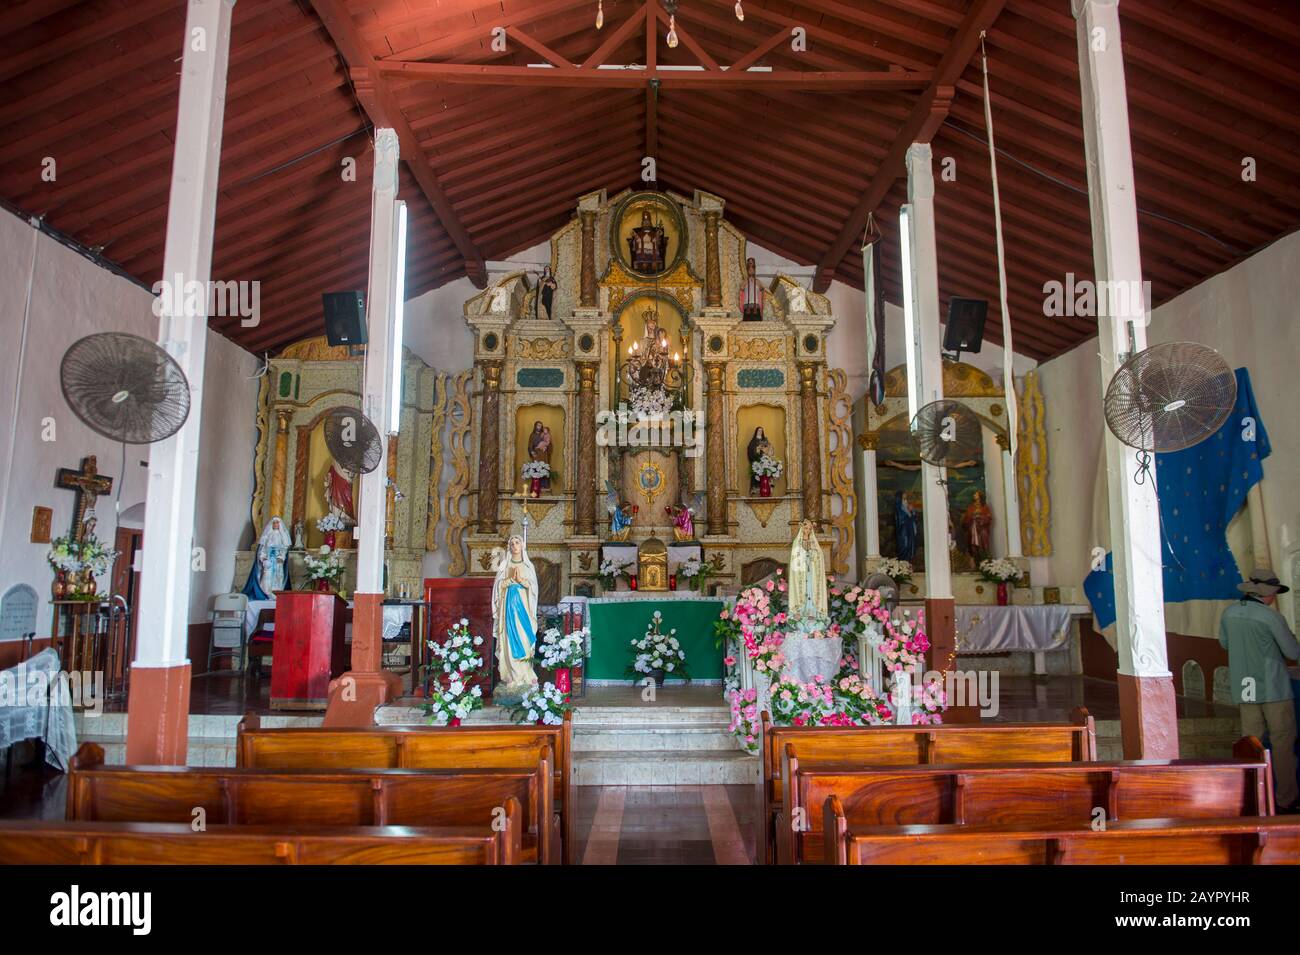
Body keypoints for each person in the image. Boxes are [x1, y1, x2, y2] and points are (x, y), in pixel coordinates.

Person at [1218, 568, 1300, 810]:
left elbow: (1224, 643)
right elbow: (1292, 652)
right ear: (1267, 594)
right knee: (1282, 741)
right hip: (1272, 686)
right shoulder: (1270, 617)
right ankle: (1286, 798)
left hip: (1246, 685)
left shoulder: (1229, 612)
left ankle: (1252, 795)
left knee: (1250, 741)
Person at [491, 535, 539, 701]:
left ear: (523, 545)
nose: (514, 545)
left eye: (517, 542)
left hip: (523, 610)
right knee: (509, 640)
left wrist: (522, 581)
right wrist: (507, 581)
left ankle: (525, 674)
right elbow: (498, 587)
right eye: (511, 543)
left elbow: (533, 589)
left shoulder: (528, 565)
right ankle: (512, 675)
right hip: (507, 609)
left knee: (524, 639)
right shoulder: (504, 565)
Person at [787, 519, 827, 620]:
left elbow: (819, 555)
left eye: (810, 528)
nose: (808, 530)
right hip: (801, 572)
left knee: (811, 588)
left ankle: (811, 611)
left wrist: (813, 554)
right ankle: (801, 611)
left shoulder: (813, 542)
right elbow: (795, 557)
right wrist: (803, 556)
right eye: (806, 528)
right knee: (803, 589)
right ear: (802, 528)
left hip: (811, 571)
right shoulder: (797, 542)